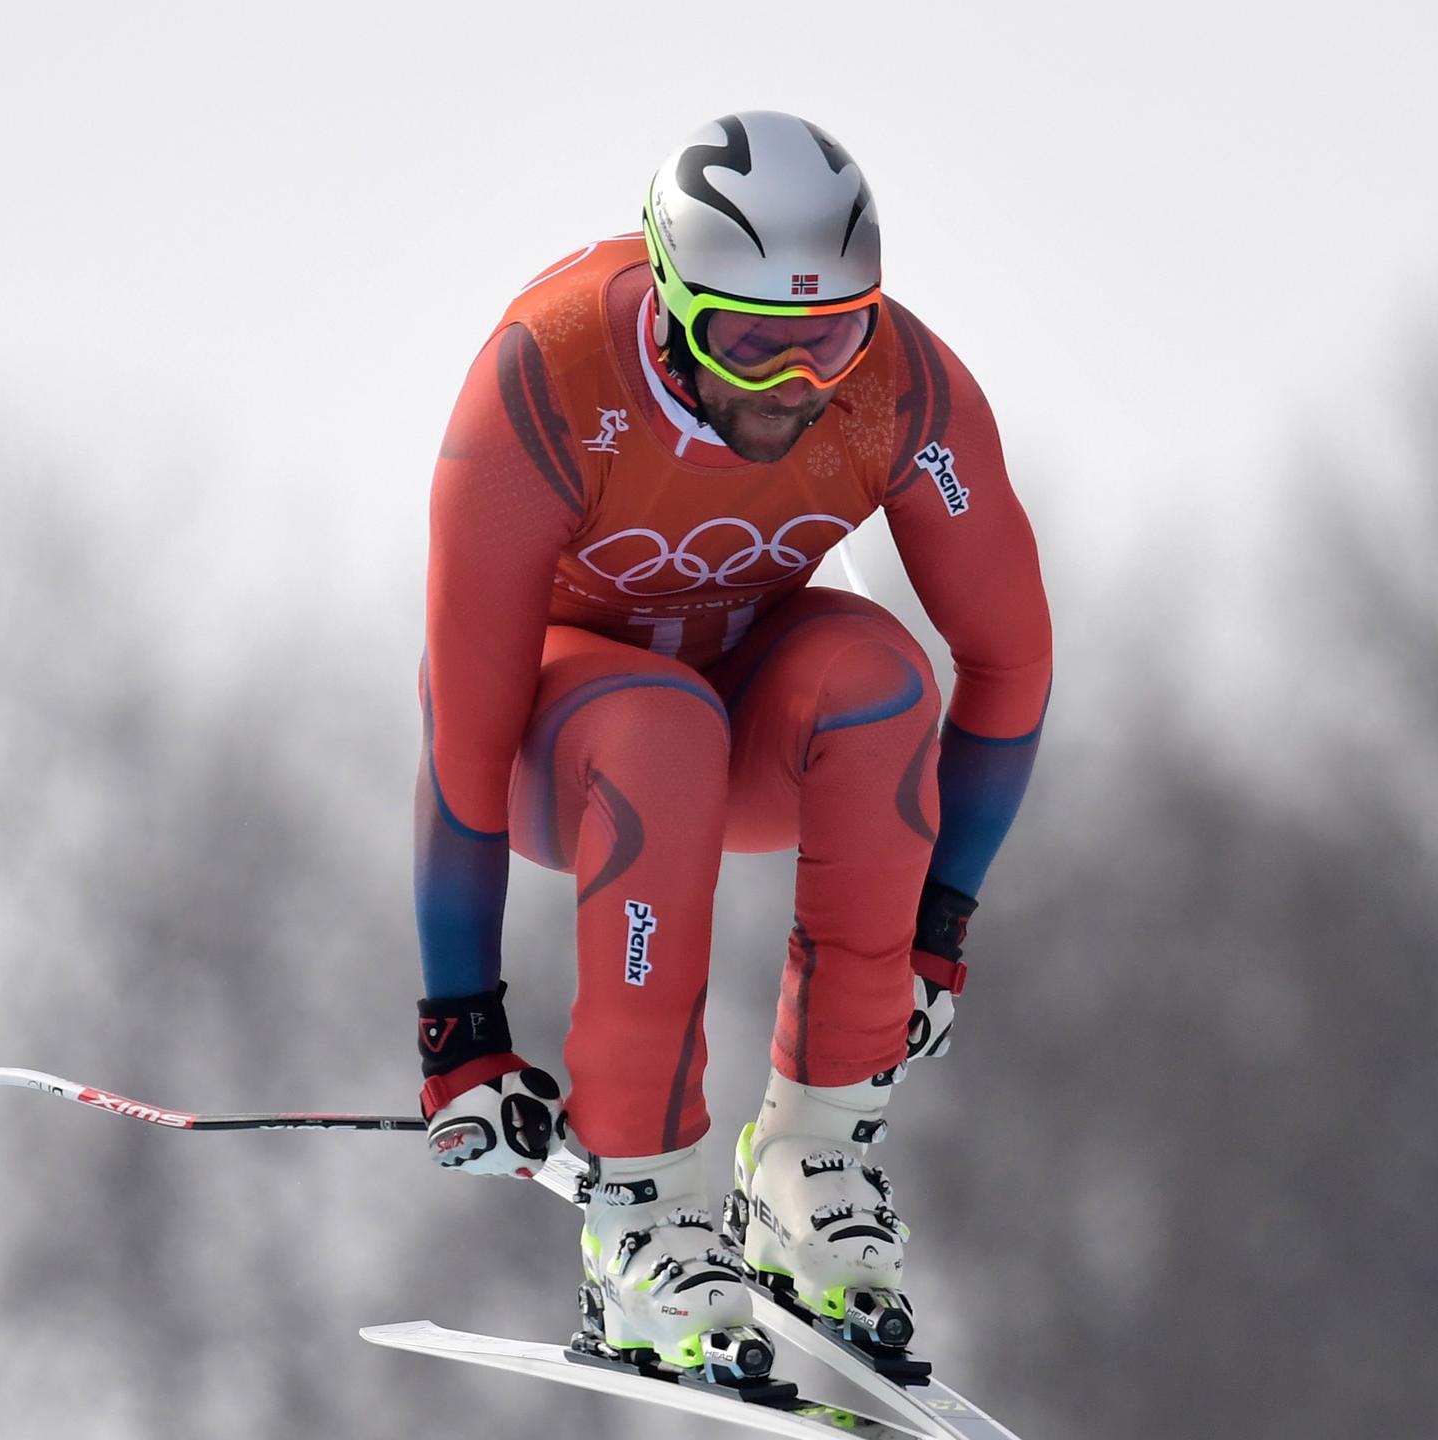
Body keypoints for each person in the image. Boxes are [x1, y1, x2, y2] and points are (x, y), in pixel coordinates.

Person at [410, 110, 1051, 1384]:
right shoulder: (548, 377)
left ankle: (810, 1159)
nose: (797, 388)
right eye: (752, 346)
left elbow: (1011, 661)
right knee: (661, 727)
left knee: (880, 680)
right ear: (669, 306)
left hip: (745, 715)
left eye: (831, 339)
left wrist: (942, 926)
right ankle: (640, 1212)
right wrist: (460, 1028)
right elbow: (464, 735)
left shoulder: (896, 391)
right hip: (564, 744)